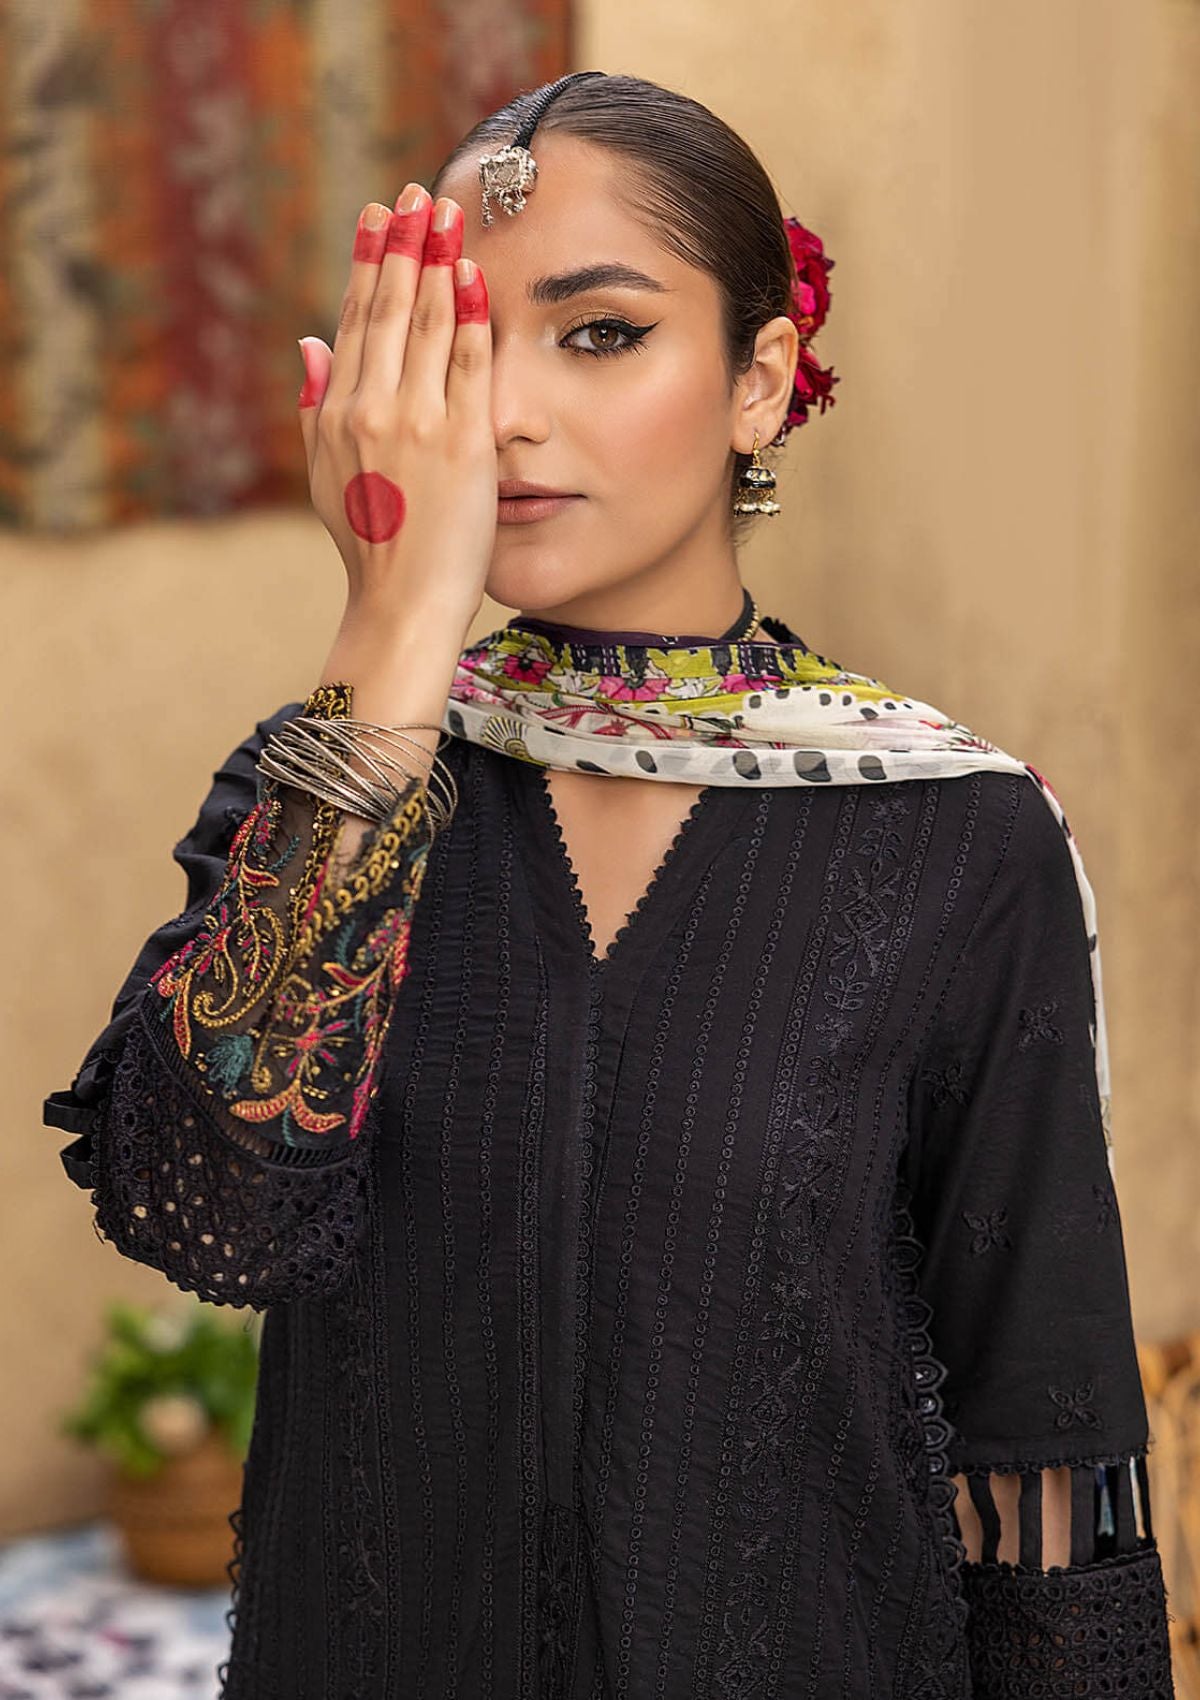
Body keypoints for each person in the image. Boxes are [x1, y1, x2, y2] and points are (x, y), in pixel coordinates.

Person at [44, 70, 1174, 1699]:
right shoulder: (325, 794)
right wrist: (391, 629)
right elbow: (215, 1219)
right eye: (463, 346)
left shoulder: (954, 835)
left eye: (599, 333)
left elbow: (1034, 1440)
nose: (506, 414)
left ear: (759, 380)